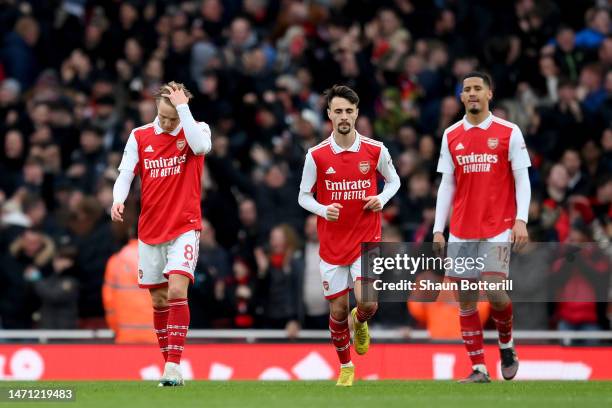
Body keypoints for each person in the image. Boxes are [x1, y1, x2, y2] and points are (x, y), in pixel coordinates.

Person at [110, 81, 212, 386]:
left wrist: (183, 110)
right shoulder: (140, 135)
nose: (168, 123)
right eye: (163, 117)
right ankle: (169, 363)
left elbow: (202, 148)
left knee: (178, 291)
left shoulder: (196, 129)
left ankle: (173, 366)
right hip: (151, 228)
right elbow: (126, 172)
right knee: (158, 300)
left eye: (173, 118)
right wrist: (118, 199)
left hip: (185, 226)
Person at [298, 84, 400, 386]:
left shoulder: (376, 149)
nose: (344, 116)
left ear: (356, 114)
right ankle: (345, 367)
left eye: (349, 111)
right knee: (338, 309)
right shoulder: (316, 155)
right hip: (332, 244)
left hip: (367, 239)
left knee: (367, 303)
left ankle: (361, 321)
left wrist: (382, 199)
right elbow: (303, 196)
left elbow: (394, 182)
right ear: (329, 114)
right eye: (338, 111)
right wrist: (321, 208)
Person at [433, 72, 531, 383]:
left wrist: (521, 220)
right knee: (465, 298)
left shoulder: (509, 132)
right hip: (461, 229)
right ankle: (479, 368)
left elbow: (522, 180)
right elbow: (447, 184)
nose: (472, 93)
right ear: (461, 97)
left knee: (495, 291)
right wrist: (439, 228)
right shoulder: (451, 135)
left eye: (478, 88)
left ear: (490, 93)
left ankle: (506, 344)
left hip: (497, 226)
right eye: (467, 90)